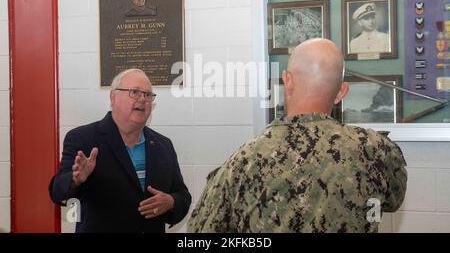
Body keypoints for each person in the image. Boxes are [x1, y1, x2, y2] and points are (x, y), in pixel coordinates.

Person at [187, 38, 407, 233]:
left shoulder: (243, 162)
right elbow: (392, 201)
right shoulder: (375, 151)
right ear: (341, 92)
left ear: (287, 80)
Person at [49, 69, 191, 233]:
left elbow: (183, 196)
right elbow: (57, 191)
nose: (143, 99)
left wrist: (171, 202)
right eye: (135, 92)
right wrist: (76, 180)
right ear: (113, 97)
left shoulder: (163, 145)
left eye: (148, 95)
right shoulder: (83, 139)